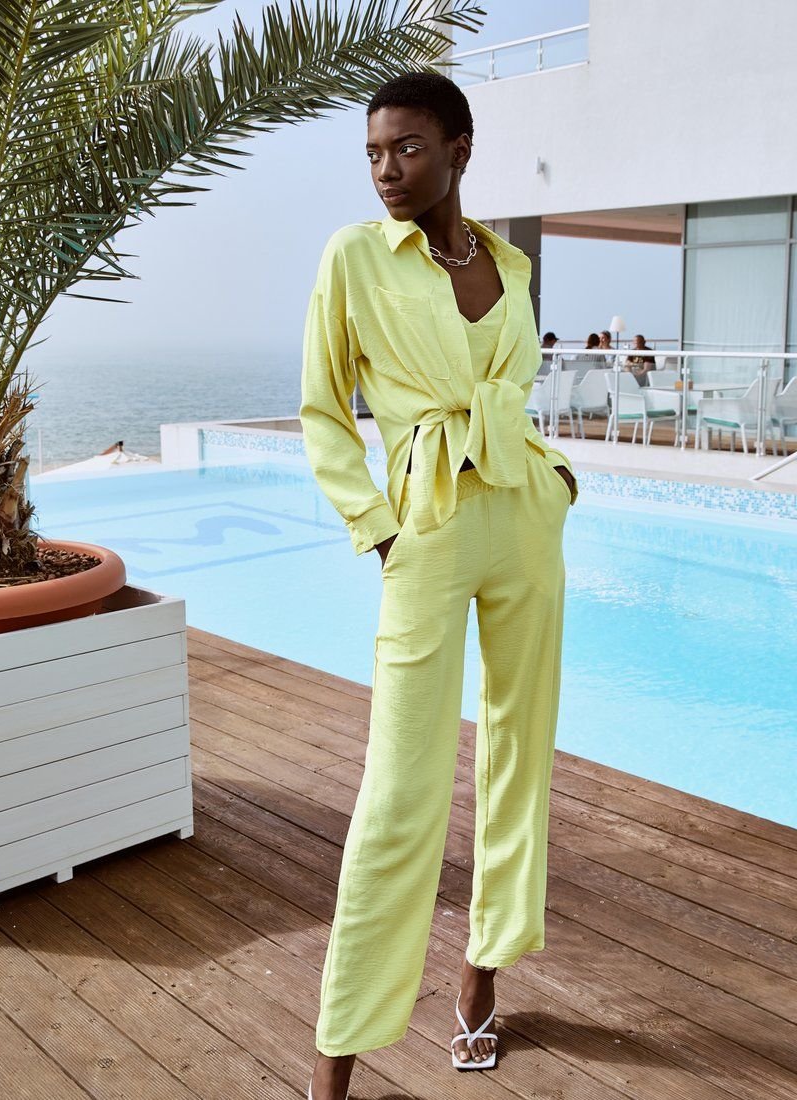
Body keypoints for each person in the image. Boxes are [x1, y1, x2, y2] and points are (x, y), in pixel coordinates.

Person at [300, 70, 577, 1100]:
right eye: (373, 152)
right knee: (399, 790)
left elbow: (515, 389)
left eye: (407, 147)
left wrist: (555, 475)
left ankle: (479, 976)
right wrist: (378, 530)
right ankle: (337, 1056)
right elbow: (322, 408)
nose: (386, 169)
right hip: (425, 523)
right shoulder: (354, 257)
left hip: (523, 516)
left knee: (519, 755)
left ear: (459, 148)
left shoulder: (508, 262)